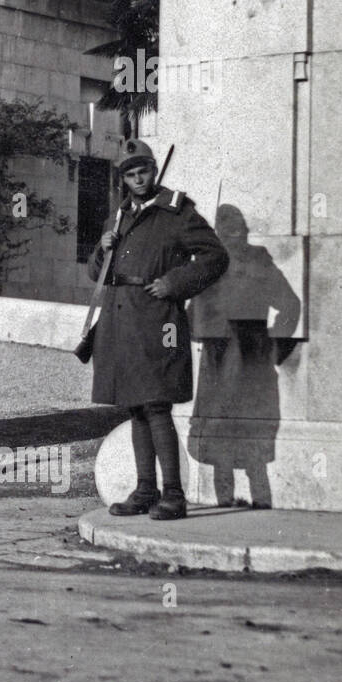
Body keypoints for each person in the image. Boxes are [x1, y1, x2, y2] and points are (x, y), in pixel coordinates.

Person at [88, 139, 229, 520]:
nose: (138, 179)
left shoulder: (177, 212)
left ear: (154, 169)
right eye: (130, 174)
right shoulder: (118, 218)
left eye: (144, 171)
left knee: (155, 404)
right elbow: (95, 274)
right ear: (123, 179)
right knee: (135, 406)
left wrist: (175, 283)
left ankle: (174, 494)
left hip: (158, 318)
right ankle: (145, 490)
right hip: (119, 320)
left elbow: (215, 256)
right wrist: (102, 249)